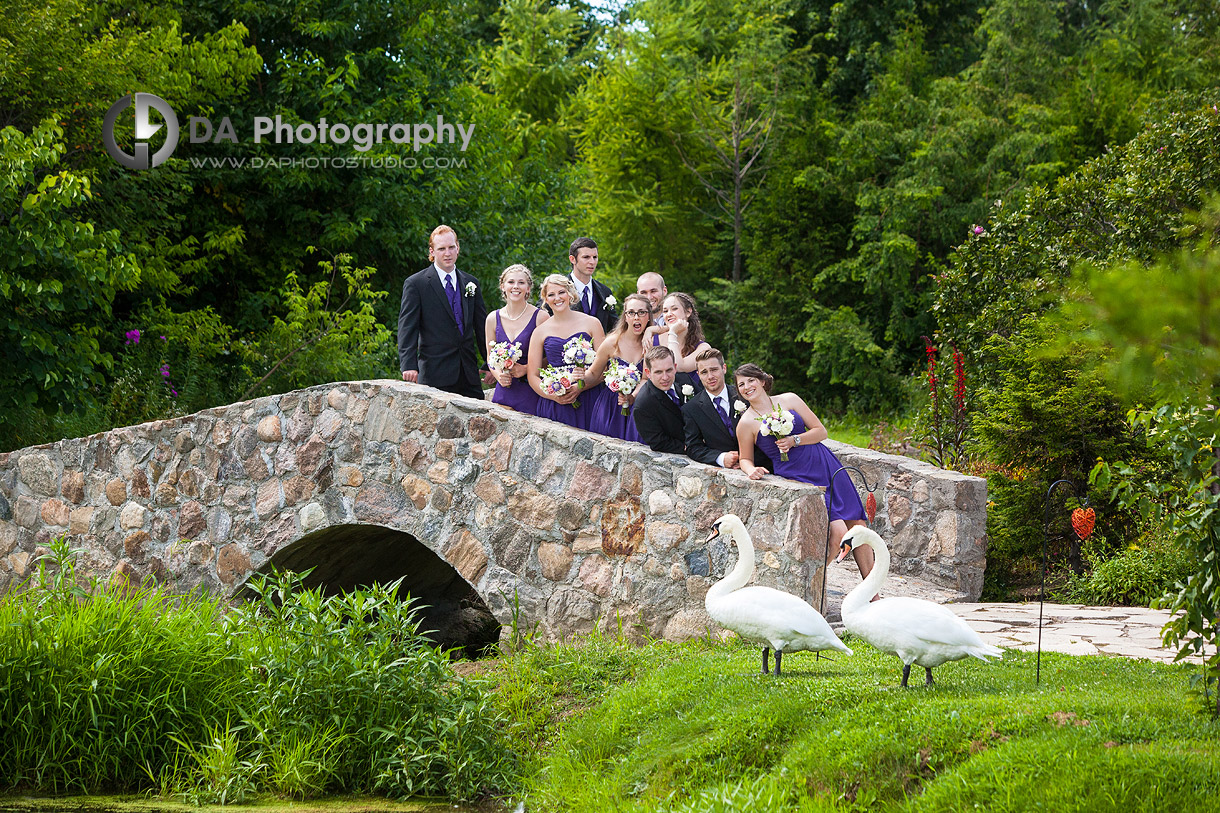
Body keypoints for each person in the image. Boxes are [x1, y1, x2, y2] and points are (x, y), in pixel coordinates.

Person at [732, 362, 875, 580]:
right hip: (797, 475)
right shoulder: (746, 423)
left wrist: (794, 440)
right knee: (837, 534)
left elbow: (821, 431)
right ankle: (812, 585)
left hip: (824, 464)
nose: (747, 386)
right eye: (741, 384)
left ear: (762, 381)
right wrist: (750, 470)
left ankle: (873, 593)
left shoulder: (789, 399)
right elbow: (744, 458)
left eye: (751, 380)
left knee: (858, 524)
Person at [398, 225, 493, 399]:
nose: (447, 253)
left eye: (451, 247)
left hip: (468, 374)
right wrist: (409, 365)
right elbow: (407, 328)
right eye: (441, 249)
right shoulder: (416, 284)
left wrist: (490, 363)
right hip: (435, 374)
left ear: (458, 248)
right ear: (432, 251)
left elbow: (482, 328)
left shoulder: (471, 283)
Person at [527, 274, 605, 430]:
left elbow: (605, 368)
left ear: (570, 294)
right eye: (551, 294)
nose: (557, 298)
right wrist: (554, 395)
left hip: (590, 398)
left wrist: (581, 387)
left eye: (561, 292)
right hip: (555, 403)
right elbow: (532, 376)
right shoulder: (539, 332)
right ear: (546, 300)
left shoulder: (592, 323)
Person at [683, 348, 772, 471]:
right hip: (729, 473)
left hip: (766, 466)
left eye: (714, 370)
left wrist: (748, 462)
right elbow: (693, 447)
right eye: (704, 372)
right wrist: (721, 458)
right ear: (698, 375)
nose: (710, 376)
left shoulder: (745, 394)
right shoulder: (691, 408)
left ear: (724, 368)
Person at [584, 293, 651, 442]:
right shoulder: (611, 343)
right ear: (625, 317)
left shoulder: (652, 344)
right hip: (610, 407)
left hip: (639, 406)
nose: (636, 317)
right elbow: (593, 374)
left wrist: (632, 397)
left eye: (642, 313)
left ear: (648, 316)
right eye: (631, 313)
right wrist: (579, 376)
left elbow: (646, 378)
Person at [484, 263, 548, 414]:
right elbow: (489, 357)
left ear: (528, 288)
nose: (516, 286)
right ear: (502, 286)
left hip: (531, 393)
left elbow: (552, 358)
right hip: (503, 393)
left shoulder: (541, 317)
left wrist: (526, 369)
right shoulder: (493, 318)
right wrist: (499, 375)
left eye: (521, 282)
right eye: (511, 282)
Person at [632, 346, 696, 454]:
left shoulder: (684, 379)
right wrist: (690, 447)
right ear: (648, 373)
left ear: (675, 367)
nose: (665, 377)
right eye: (658, 372)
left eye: (669, 370)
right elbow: (658, 442)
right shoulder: (643, 405)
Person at [644, 292, 711, 394]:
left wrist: (672, 333)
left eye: (674, 309)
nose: (669, 314)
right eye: (665, 311)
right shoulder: (653, 341)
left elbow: (678, 367)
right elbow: (645, 378)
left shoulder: (703, 348)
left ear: (688, 312)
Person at [566, 237, 619, 334]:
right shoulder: (558, 289)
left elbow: (616, 327)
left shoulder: (605, 292)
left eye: (595, 257)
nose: (592, 262)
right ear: (572, 259)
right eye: (586, 257)